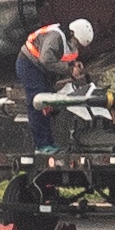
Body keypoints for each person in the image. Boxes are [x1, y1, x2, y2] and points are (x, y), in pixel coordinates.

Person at [15, 18, 93, 153]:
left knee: (49, 105)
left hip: (41, 69)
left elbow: (62, 56)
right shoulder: (55, 37)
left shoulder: (68, 39)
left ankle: (48, 143)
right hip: (29, 64)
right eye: (77, 43)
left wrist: (73, 64)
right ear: (72, 34)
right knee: (38, 102)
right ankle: (42, 145)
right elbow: (46, 60)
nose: (77, 46)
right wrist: (69, 70)